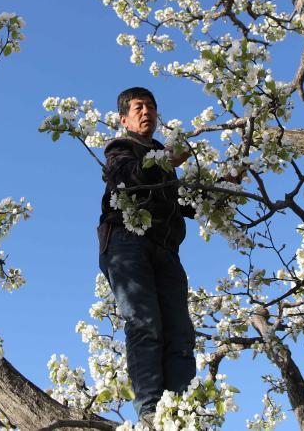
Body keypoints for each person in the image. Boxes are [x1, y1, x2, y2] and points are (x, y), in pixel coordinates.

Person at [97, 87, 197, 429]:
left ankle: (182, 413)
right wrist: (166, 162)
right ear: (124, 118)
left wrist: (220, 189)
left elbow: (182, 203)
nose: (147, 112)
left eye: (152, 107)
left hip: (167, 250)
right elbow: (124, 177)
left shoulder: (163, 157)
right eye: (139, 107)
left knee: (180, 333)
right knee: (145, 323)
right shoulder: (121, 148)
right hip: (128, 242)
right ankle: (152, 412)